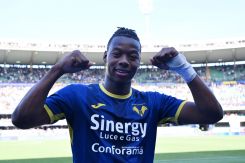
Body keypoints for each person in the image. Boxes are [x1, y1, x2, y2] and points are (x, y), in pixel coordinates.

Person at [12, 27, 223, 163]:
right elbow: (22, 119)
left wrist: (184, 68)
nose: (124, 60)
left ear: (139, 62)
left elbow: (212, 114)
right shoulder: (76, 96)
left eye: (133, 56)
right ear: (106, 57)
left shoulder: (154, 102)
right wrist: (57, 69)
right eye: (116, 54)